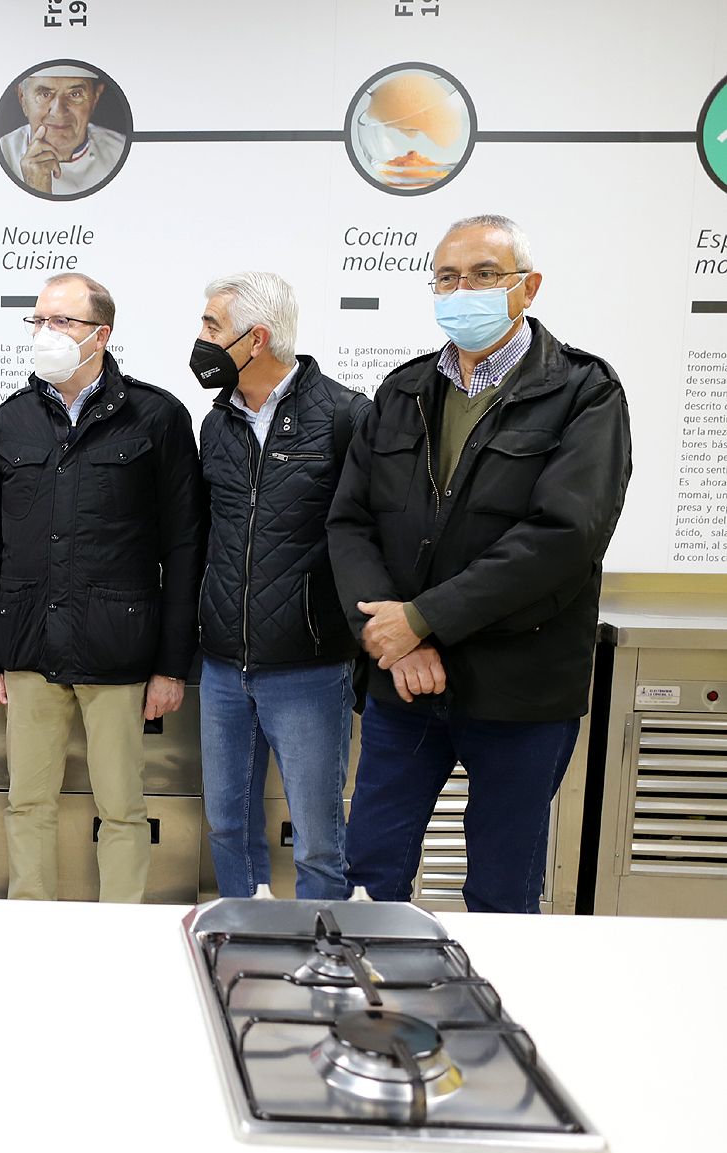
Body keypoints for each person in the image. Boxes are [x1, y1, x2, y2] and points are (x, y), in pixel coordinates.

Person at [328, 213, 632, 913]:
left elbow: (563, 535)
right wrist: (397, 637)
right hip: (406, 686)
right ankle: (368, 989)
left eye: (484, 275)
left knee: (501, 891)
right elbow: (350, 522)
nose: (462, 290)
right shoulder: (403, 392)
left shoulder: (584, 392)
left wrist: (424, 618)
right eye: (447, 277)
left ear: (529, 287)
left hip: (520, 689)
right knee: (369, 876)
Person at [0, 272, 203, 904]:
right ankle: (31, 924)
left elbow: (185, 548)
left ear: (101, 335)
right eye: (38, 320)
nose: (45, 332)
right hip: (28, 643)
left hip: (118, 647)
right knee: (27, 802)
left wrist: (172, 664)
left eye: (62, 321)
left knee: (123, 806)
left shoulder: (157, 417)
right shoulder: (11, 420)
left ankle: (120, 930)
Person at [190, 271, 368, 900]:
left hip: (308, 666)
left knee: (318, 839)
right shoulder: (217, 424)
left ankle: (325, 945)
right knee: (227, 825)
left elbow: (369, 537)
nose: (201, 338)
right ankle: (243, 933)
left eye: (212, 325)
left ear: (256, 338)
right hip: (222, 666)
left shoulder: (346, 417)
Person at [0, 66, 126, 196]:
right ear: (23, 99)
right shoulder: (0, 156)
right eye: (45, 94)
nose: (59, 112)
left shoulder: (121, 151)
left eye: (75, 94)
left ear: (95, 98)